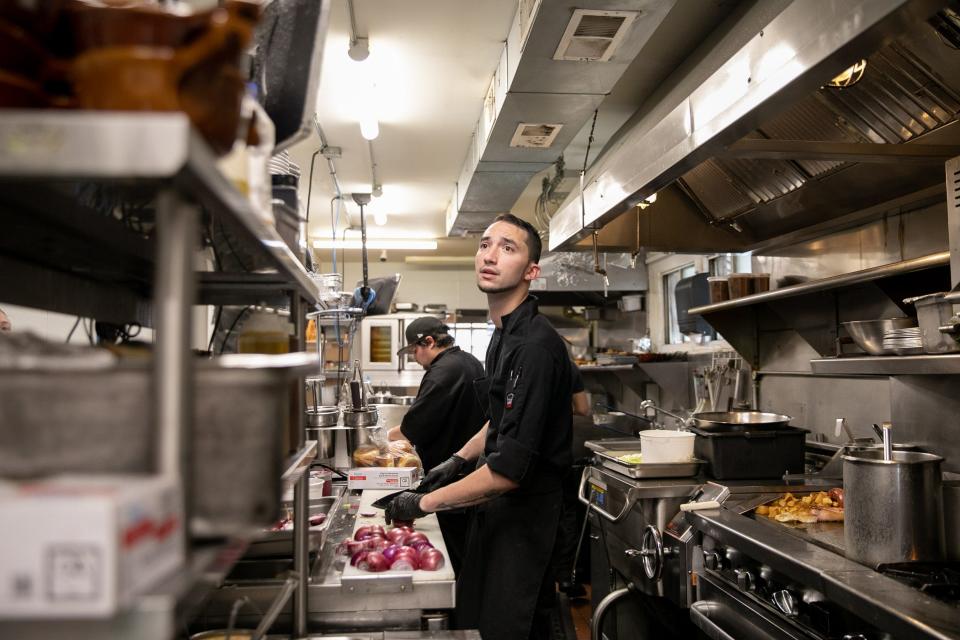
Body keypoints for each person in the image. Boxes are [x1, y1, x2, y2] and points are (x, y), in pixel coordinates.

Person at [384, 213, 575, 640]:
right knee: (478, 618)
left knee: (511, 627)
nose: (490, 255)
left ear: (531, 271)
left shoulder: (535, 348)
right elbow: (499, 419)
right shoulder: (502, 334)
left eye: (508, 247)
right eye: (485, 244)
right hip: (498, 512)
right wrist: (458, 459)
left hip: (526, 518)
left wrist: (422, 504)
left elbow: (507, 473)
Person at [385, 316, 486, 572]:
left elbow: (413, 429)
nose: (414, 358)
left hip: (449, 476)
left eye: (413, 351)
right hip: (471, 470)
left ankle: (459, 609)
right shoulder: (469, 362)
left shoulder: (442, 372)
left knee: (454, 556)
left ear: (428, 342)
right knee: (469, 553)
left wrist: (386, 437)